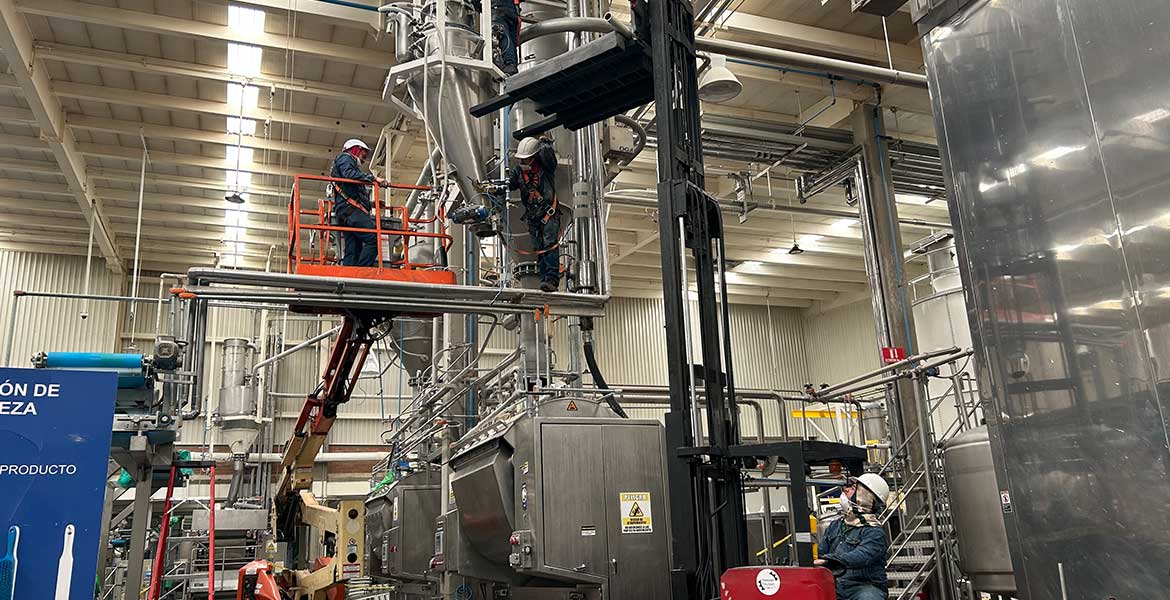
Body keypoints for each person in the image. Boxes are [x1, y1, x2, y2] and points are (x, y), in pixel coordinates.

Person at [815, 473, 891, 600]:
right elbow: (821, 552)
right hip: (836, 585)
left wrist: (830, 560)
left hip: (865, 586)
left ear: (866, 496)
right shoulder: (836, 525)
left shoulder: (874, 532)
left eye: (853, 488)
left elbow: (861, 556)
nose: (845, 490)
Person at [508, 136, 561, 292]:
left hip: (548, 214)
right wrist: (494, 188)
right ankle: (544, 278)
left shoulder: (546, 168)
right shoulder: (518, 172)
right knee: (539, 248)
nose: (522, 163)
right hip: (533, 216)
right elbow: (509, 185)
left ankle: (551, 279)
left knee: (549, 246)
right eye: (521, 160)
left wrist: (545, 145)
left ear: (534, 157)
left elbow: (551, 160)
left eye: (526, 160)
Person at [331, 139, 387, 267]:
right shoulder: (345, 158)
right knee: (374, 240)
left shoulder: (346, 163)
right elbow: (349, 175)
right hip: (351, 212)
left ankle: (350, 275)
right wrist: (374, 178)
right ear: (355, 150)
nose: (364, 159)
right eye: (363, 155)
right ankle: (362, 272)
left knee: (353, 249)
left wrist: (371, 204)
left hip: (346, 212)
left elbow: (350, 191)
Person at [490, 0, 521, 75]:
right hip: (513, 13)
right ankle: (512, 66)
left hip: (498, 9)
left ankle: (509, 65)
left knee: (503, 35)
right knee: (511, 41)